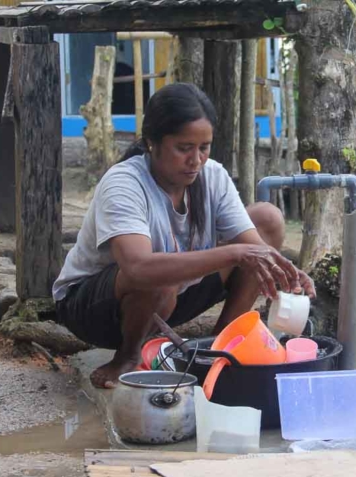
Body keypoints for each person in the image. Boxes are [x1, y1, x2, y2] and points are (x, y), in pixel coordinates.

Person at [53, 83, 316, 389]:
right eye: (184, 148)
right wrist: (234, 253)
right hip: (94, 310)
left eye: (204, 147)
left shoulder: (212, 175)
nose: (196, 160)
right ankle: (127, 355)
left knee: (266, 220)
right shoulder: (124, 183)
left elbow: (256, 246)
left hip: (170, 298)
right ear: (152, 142)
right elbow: (138, 268)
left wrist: (285, 270)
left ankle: (222, 344)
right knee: (159, 276)